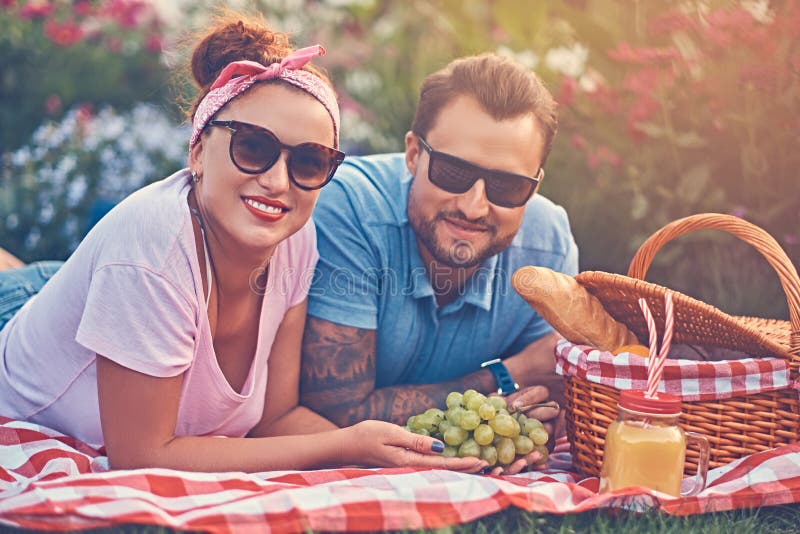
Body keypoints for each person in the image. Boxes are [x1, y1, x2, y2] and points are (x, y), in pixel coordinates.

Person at [0, 11, 485, 475]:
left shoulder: (296, 240)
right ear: (197, 151)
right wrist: (342, 443)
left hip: (92, 296)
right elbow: (141, 455)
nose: (278, 182)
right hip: (31, 310)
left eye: (309, 162)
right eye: (252, 146)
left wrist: (392, 455)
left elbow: (276, 421)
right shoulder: (153, 250)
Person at [300, 53, 579, 473]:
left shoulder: (549, 245)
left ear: (535, 185)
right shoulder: (350, 209)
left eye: (508, 185)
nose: (473, 206)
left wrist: (530, 413)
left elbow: (546, 407)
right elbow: (336, 415)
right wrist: (509, 373)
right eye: (452, 171)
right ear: (413, 154)